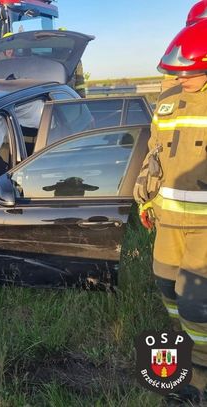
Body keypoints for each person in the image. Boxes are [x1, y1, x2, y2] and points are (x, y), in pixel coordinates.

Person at [134, 19, 207, 402]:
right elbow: (155, 153)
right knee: (166, 287)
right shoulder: (167, 100)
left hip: (204, 228)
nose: (185, 79)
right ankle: (183, 353)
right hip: (168, 221)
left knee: (196, 302)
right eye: (179, 73)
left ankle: (197, 378)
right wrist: (146, 196)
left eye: (192, 72)